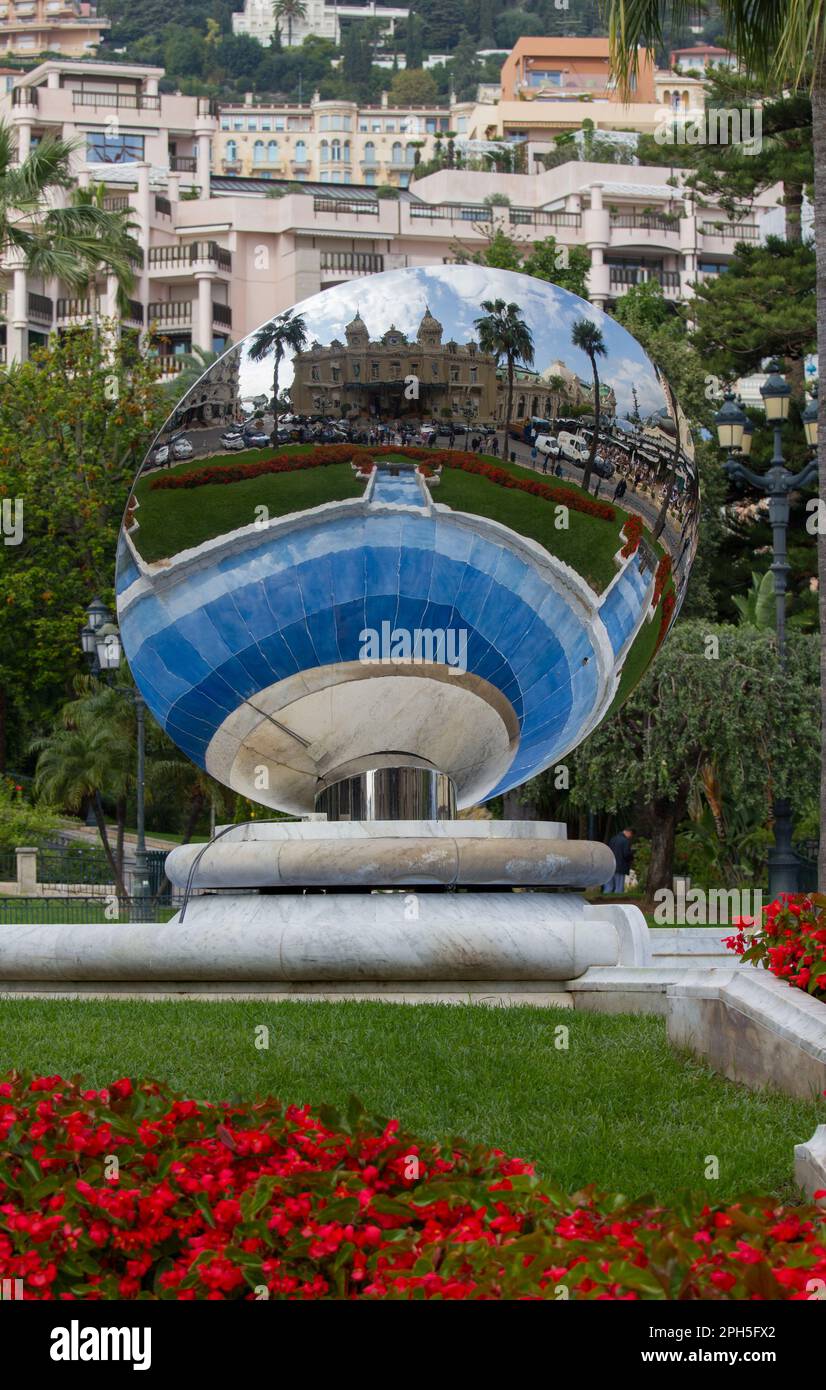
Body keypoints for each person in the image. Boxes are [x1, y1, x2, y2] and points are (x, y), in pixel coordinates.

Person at [603, 829, 634, 895]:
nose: (630, 837)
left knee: (608, 887)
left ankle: (605, 901)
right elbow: (626, 854)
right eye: (631, 835)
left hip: (610, 866)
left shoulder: (613, 839)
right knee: (619, 888)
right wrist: (631, 856)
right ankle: (617, 901)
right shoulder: (625, 841)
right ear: (628, 832)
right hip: (620, 866)